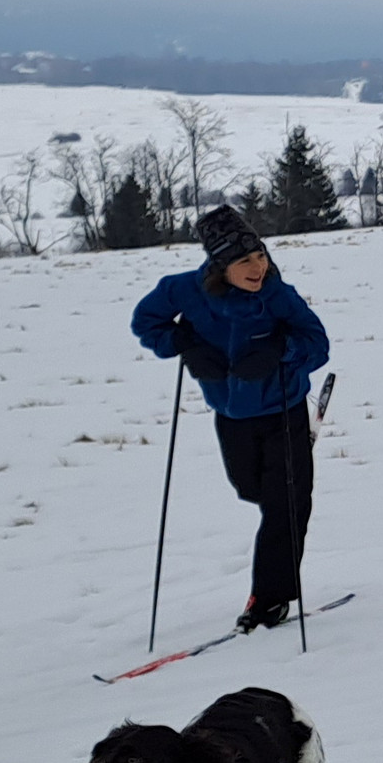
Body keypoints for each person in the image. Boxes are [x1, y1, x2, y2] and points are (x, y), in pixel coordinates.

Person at [132, 206, 332, 633]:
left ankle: (269, 600)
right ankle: (286, 489)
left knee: (286, 505)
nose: (258, 267)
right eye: (245, 260)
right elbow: (146, 322)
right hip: (231, 415)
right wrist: (183, 343)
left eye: (260, 255)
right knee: (251, 489)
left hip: (283, 410)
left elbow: (317, 343)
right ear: (220, 264)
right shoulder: (183, 290)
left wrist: (280, 352)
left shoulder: (278, 296)